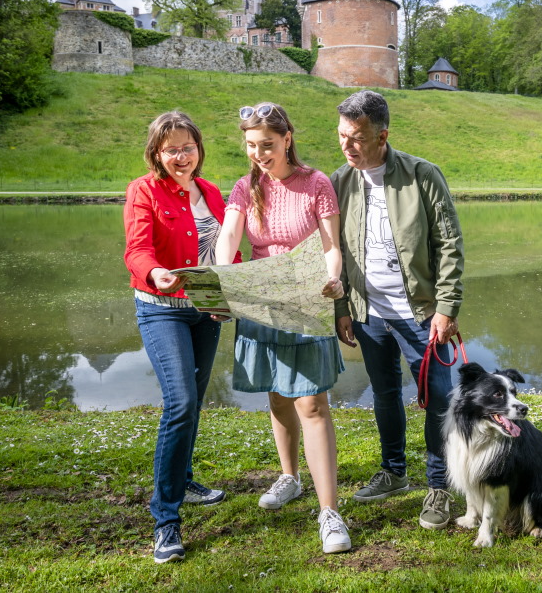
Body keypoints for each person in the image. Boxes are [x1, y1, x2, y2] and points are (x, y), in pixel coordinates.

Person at [214, 102, 351, 554]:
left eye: (267, 145)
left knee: (311, 403)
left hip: (307, 300)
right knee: (276, 392)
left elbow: (332, 247)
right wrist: (220, 278)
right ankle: (290, 477)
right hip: (261, 301)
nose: (258, 154)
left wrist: (334, 279)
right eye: (251, 146)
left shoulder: (317, 183)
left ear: (287, 138)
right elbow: (229, 240)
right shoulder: (242, 186)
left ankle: (330, 512)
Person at [330, 89, 464, 530]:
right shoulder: (339, 182)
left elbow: (448, 244)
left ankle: (439, 487)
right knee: (384, 393)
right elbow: (336, 253)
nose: (348, 146)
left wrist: (446, 306)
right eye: (342, 136)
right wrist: (344, 309)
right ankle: (393, 472)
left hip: (421, 313)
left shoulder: (422, 175)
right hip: (369, 313)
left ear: (382, 135)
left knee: (438, 399)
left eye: (358, 138)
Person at [124, 111, 240, 563]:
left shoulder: (211, 191)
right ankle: (165, 519)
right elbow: (137, 249)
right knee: (181, 403)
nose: (181, 157)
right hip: (161, 311)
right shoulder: (144, 190)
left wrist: (233, 292)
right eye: (171, 149)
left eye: (187, 147)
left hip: (204, 312)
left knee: (193, 397)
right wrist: (154, 271)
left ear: (198, 149)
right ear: (156, 153)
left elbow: (225, 250)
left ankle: (184, 478)